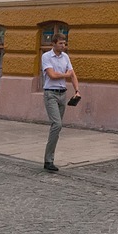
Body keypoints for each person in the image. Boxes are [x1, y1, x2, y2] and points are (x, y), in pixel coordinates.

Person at [40, 33, 80, 173]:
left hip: (62, 94)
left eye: (65, 43)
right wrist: (66, 75)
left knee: (57, 128)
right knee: (57, 124)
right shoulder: (46, 56)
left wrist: (77, 90)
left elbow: (72, 74)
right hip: (50, 93)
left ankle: (49, 159)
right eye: (61, 43)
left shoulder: (66, 57)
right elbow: (52, 75)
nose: (63, 46)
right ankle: (48, 160)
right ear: (54, 44)